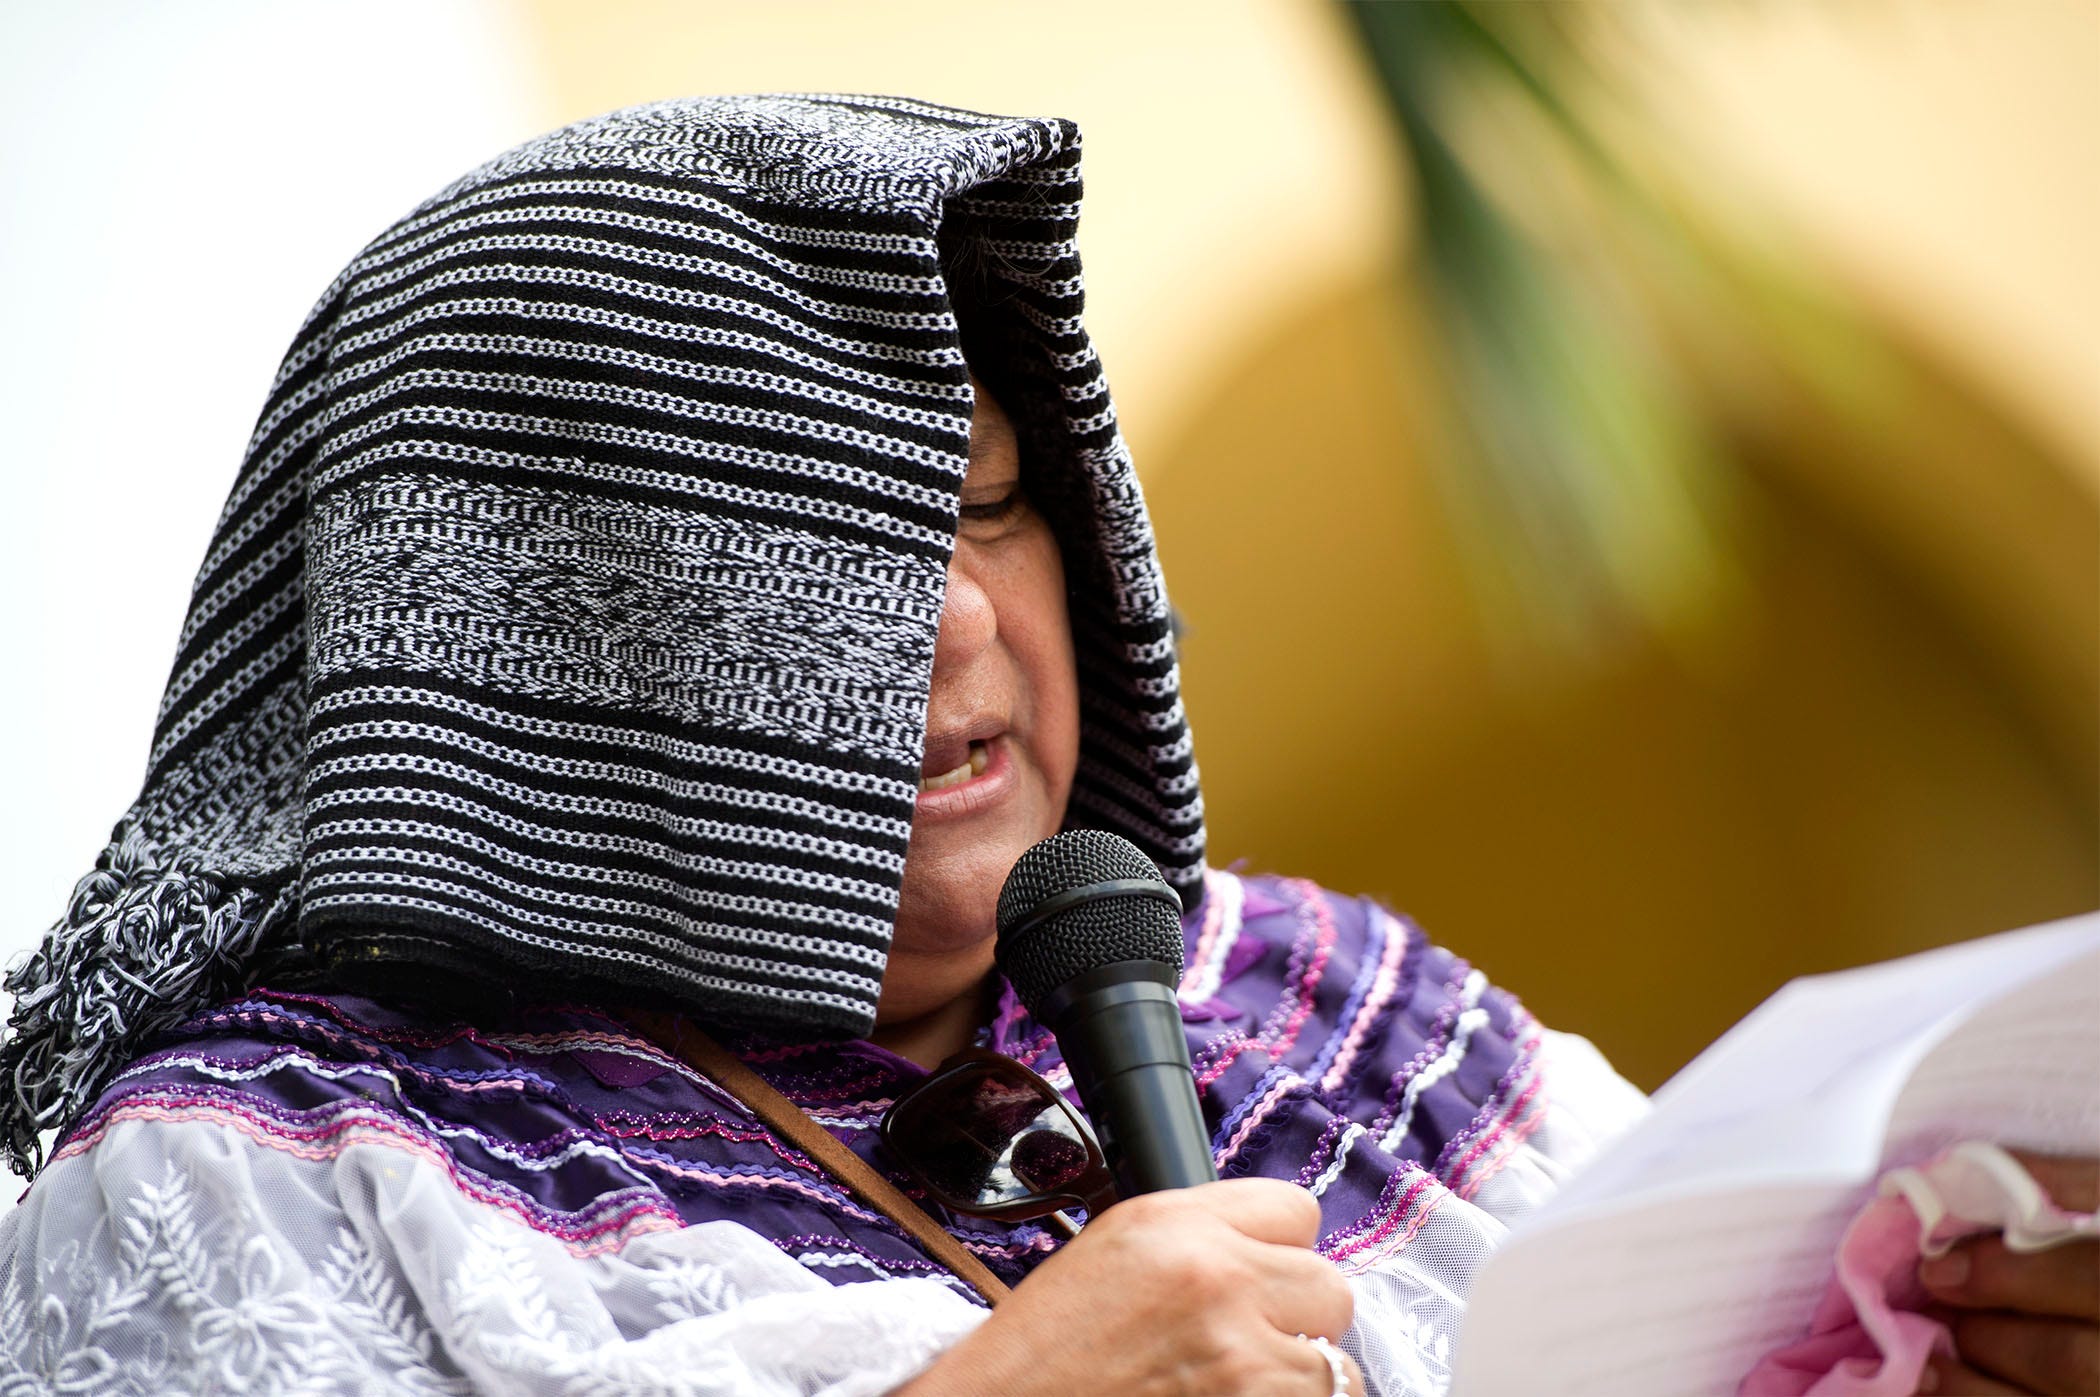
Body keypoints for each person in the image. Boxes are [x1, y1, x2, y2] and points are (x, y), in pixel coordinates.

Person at [0, 94, 2086, 1397]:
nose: (964, 617)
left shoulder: (1345, 1027)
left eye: (989, 501)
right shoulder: (262, 1179)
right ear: (540, 627)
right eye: (826, 543)